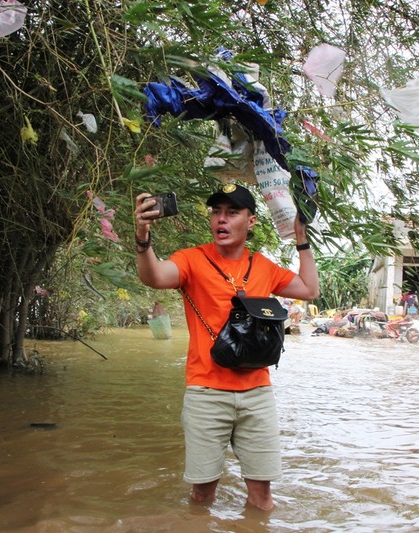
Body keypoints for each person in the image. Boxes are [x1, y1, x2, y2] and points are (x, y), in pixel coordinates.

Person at [133, 183, 319, 511]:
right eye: (216, 212)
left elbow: (309, 290)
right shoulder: (191, 260)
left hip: (257, 393)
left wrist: (301, 238)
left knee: (262, 497)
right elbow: (155, 276)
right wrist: (142, 236)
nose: (221, 219)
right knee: (203, 495)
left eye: (232, 212)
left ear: (251, 222)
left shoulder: (263, 266)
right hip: (206, 393)